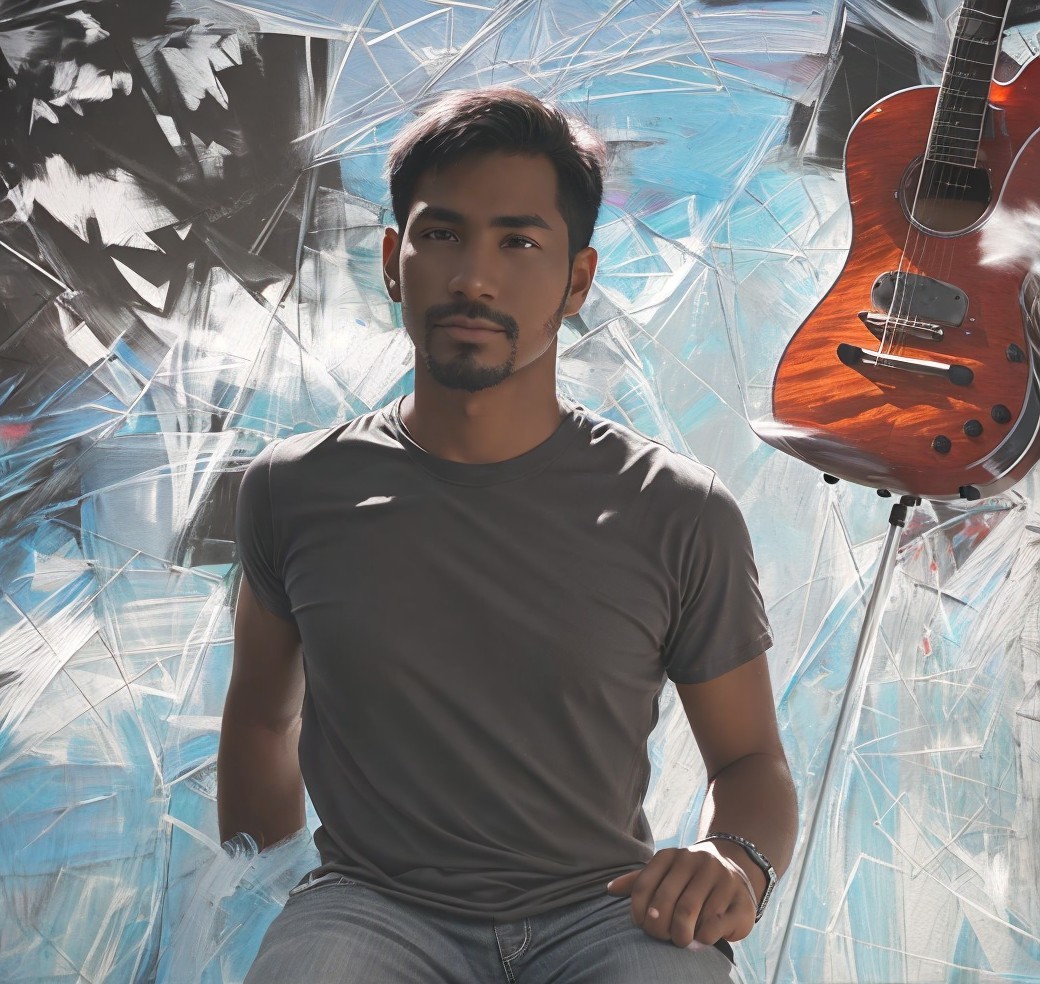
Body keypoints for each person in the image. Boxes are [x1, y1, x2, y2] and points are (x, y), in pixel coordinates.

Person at [218, 87, 798, 984]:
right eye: (442, 234)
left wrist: (736, 861)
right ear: (390, 258)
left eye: (518, 242)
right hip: (371, 904)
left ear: (577, 280)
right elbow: (260, 715)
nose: (473, 278)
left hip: (605, 912)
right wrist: (255, 891)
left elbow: (751, 759)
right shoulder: (294, 489)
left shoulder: (679, 509)